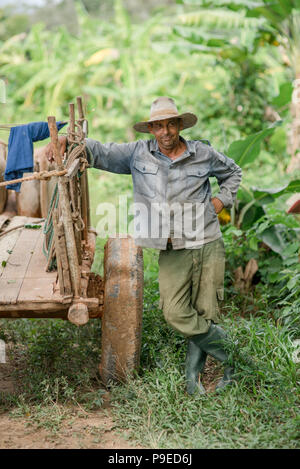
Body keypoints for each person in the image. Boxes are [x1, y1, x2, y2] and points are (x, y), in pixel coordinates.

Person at [51, 97, 242, 394]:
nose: (165, 131)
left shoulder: (202, 153)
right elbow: (100, 152)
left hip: (207, 242)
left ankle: (192, 379)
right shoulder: (137, 154)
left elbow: (233, 172)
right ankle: (235, 355)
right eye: (158, 126)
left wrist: (220, 201)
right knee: (176, 312)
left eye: (170, 124)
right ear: (151, 129)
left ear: (179, 125)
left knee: (205, 312)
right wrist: (67, 141)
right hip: (172, 247)